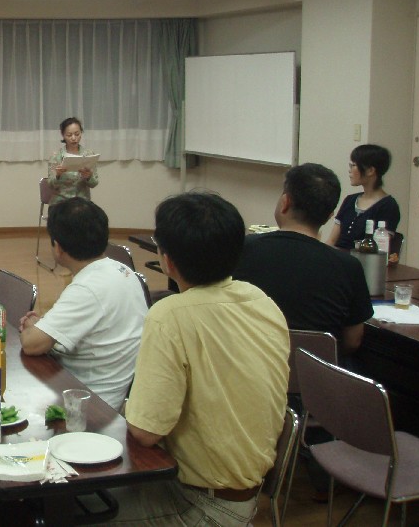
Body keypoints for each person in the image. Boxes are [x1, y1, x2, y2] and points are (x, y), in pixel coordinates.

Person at [112, 192, 289, 526]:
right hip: (244, 495)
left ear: (167, 261)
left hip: (200, 505)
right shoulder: (262, 301)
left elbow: (145, 432)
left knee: (69, 506)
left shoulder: (170, 314)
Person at [19, 198, 147, 409]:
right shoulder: (123, 270)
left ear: (58, 247)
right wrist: (46, 327)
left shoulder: (87, 288)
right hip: (106, 391)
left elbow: (32, 344)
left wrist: (32, 328)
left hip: (86, 402)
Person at [234, 163, 372, 356]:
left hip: (250, 363)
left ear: (285, 202)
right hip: (313, 371)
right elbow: (353, 341)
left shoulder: (241, 249)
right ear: (329, 216)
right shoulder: (348, 267)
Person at [327, 143, 400, 250]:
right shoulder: (350, 200)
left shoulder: (388, 206)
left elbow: (380, 249)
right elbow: (332, 240)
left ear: (370, 171)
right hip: (337, 256)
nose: (350, 170)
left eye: (353, 165)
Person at [46, 116, 99, 204]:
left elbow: (94, 184)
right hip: (60, 202)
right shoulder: (56, 156)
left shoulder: (88, 154)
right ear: (63, 135)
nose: (73, 138)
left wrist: (89, 177)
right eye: (69, 135)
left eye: (77, 134)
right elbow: (50, 185)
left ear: (81, 133)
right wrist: (57, 175)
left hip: (82, 202)